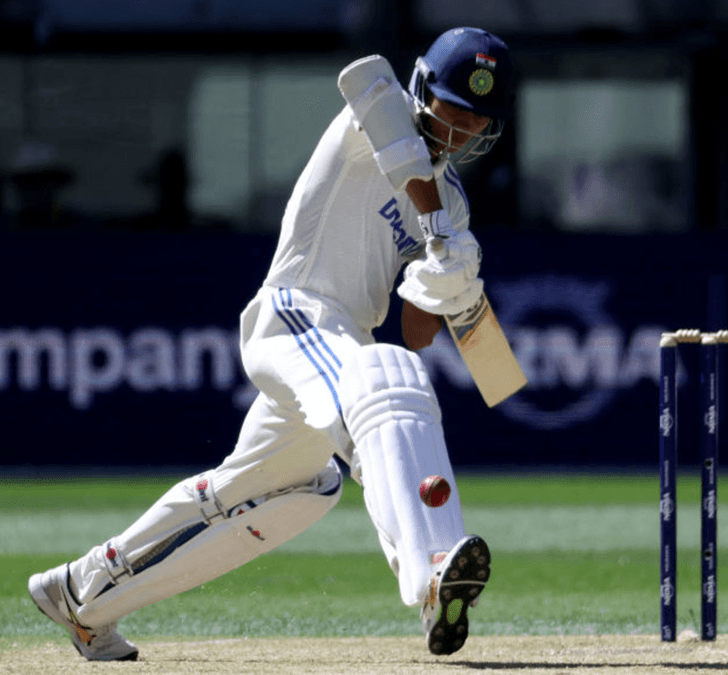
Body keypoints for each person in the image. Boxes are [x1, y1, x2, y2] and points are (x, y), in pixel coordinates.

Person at [27, 26, 514, 661]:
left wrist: (446, 281)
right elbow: (363, 74)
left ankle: (84, 594)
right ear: (422, 90)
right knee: (385, 377)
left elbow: (415, 333)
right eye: (452, 108)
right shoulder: (375, 121)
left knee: (297, 488)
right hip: (295, 316)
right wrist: (436, 229)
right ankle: (432, 570)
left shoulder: (452, 203)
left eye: (477, 119)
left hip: (342, 343)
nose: (461, 129)